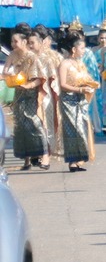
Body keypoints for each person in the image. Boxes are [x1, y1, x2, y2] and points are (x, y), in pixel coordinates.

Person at [53, 30, 99, 172]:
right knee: (72, 130)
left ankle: (79, 159)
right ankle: (72, 161)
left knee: (83, 128)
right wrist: (79, 90)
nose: (84, 51)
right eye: (82, 48)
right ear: (73, 49)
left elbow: (86, 79)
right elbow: (62, 85)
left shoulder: (80, 64)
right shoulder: (65, 64)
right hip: (68, 101)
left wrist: (92, 85)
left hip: (81, 101)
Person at [8, 29, 50, 169]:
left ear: (24, 42)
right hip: (18, 93)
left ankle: (45, 157)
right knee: (20, 127)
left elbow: (41, 78)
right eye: (12, 41)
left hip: (31, 94)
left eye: (16, 41)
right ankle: (26, 160)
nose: (13, 44)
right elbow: (5, 71)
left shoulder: (32, 57)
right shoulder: (13, 55)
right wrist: (10, 76)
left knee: (35, 124)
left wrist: (29, 85)